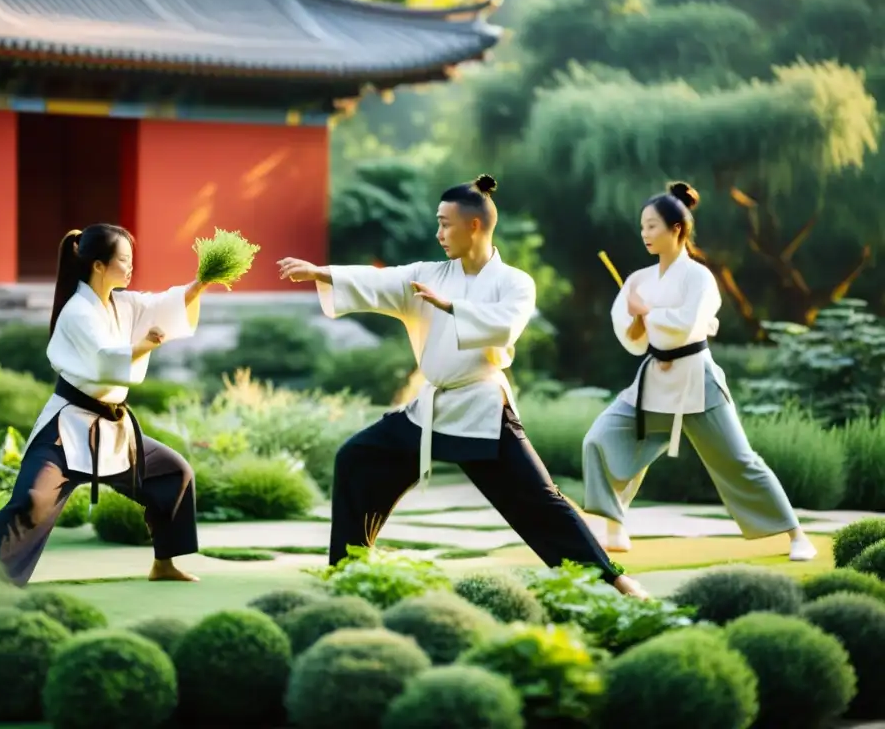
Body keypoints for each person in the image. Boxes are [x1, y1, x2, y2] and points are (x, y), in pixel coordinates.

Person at [277, 174, 648, 598]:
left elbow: (505, 327)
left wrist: (451, 306)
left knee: (539, 501)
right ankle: (349, 573)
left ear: (475, 225)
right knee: (358, 459)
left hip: (481, 408)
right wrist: (320, 273)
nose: (438, 233)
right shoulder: (428, 274)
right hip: (429, 410)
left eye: (445, 224)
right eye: (437, 223)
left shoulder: (515, 282)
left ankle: (614, 579)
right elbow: (380, 281)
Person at [581, 182, 818, 561]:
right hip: (655, 379)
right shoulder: (639, 280)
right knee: (600, 439)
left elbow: (690, 323)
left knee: (739, 461)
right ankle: (614, 526)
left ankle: (796, 535)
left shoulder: (700, 278)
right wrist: (640, 318)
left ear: (677, 229)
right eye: (642, 226)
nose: (645, 234)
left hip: (697, 379)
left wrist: (646, 312)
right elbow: (632, 335)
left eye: (653, 226)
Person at [0, 224, 208, 586]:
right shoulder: (77, 311)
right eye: (123, 260)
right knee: (31, 500)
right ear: (99, 265)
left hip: (113, 430)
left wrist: (201, 282)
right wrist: (145, 346)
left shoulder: (123, 303)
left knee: (174, 473)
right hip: (67, 428)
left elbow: (163, 304)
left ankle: (164, 563)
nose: (130, 267)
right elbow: (105, 360)